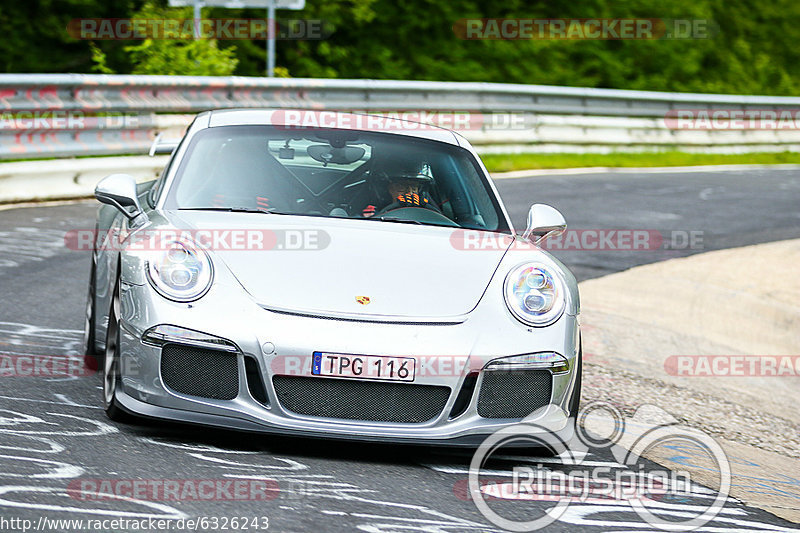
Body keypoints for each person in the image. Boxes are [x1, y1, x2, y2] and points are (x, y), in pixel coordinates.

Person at [361, 159, 442, 217]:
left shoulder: (428, 215)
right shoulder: (373, 213)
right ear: (387, 189)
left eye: (414, 187)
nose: (409, 193)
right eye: (401, 187)